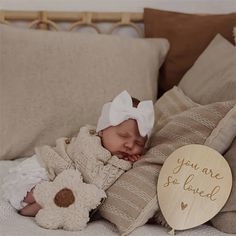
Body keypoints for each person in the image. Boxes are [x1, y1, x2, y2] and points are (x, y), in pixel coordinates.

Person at [2, 90, 154, 217]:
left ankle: (33, 208)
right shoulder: (89, 144)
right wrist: (123, 163)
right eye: (123, 136)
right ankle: (29, 205)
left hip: (55, 180)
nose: (130, 145)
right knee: (40, 194)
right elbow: (96, 181)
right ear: (102, 130)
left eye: (139, 143)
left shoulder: (112, 150)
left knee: (64, 199)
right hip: (42, 169)